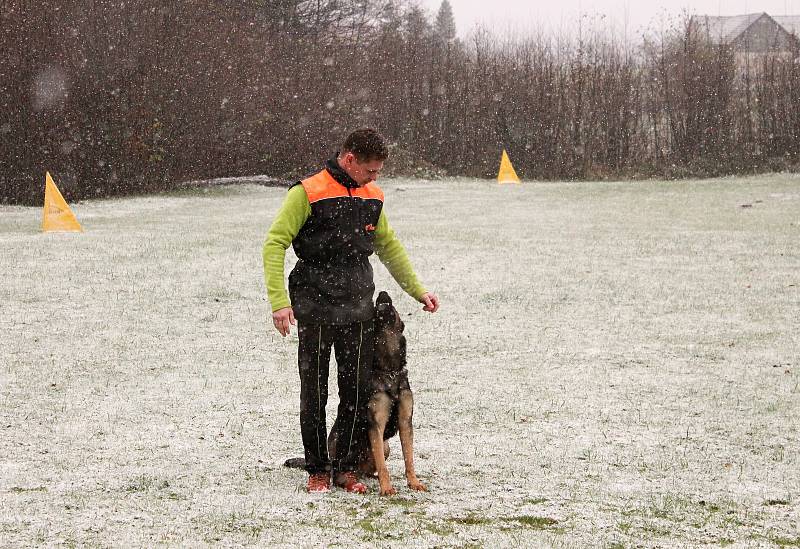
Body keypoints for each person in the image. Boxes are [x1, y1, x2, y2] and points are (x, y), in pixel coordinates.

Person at [262, 128, 439, 494]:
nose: (376, 177)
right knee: (314, 392)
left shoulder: (373, 196)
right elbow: (275, 242)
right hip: (314, 306)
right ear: (349, 160)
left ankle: (344, 468)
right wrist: (280, 302)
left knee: (356, 392)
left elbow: (388, 245)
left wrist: (418, 289)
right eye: (371, 170)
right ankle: (316, 469)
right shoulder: (307, 192)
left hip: (358, 308)